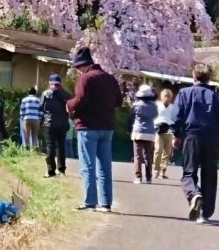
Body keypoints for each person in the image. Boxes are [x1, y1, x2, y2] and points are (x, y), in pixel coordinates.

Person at [66, 47, 123, 213]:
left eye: (78, 68)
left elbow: (80, 100)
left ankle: (90, 202)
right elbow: (119, 101)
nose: (78, 72)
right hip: (107, 127)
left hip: (87, 126)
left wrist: (68, 105)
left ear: (83, 66)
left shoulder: (86, 79)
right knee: (105, 166)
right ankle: (106, 203)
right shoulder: (110, 79)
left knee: (88, 165)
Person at [173, 63, 219, 224]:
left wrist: (176, 134)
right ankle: (205, 213)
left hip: (192, 135)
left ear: (194, 76)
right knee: (209, 176)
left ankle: (194, 194)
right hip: (212, 138)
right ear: (209, 78)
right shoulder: (218, 98)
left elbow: (177, 116)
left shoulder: (185, 93)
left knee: (189, 172)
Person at [41, 74, 72, 177]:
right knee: (60, 147)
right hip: (62, 123)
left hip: (49, 124)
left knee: (51, 147)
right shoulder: (66, 95)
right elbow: (70, 110)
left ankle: (50, 171)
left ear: (50, 83)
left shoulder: (45, 94)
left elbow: (40, 108)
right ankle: (61, 170)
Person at [131, 84, 158, 184]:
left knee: (137, 155)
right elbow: (155, 115)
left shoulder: (136, 105)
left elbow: (132, 116)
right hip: (150, 132)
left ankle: (138, 177)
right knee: (148, 156)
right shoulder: (154, 106)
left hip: (138, 131)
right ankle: (149, 177)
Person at [154, 88, 176, 179]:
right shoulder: (157, 105)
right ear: (161, 97)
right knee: (158, 150)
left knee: (167, 152)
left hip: (169, 130)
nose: (166, 98)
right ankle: (156, 170)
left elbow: (175, 119)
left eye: (168, 96)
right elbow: (153, 116)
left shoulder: (173, 107)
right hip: (159, 130)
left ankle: (163, 171)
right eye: (165, 96)